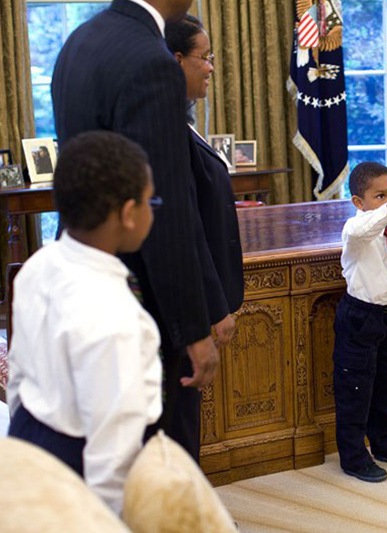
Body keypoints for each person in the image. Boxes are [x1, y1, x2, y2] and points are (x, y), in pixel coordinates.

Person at [51, 0, 225, 457]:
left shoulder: (79, 42)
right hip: (142, 298)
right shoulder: (151, 61)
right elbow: (164, 207)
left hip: (86, 278)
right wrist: (193, 328)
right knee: (163, 449)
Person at [6, 131, 162, 514]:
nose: (152, 211)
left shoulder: (38, 266)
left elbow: (19, 376)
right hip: (81, 463)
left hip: (28, 435)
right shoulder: (116, 315)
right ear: (128, 214)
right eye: (150, 201)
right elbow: (114, 446)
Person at [165, 14, 244, 460]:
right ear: (177, 60)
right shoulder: (167, 130)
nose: (212, 67)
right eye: (206, 57)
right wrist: (213, 307)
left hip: (197, 301)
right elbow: (186, 227)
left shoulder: (183, 120)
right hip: (189, 306)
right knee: (178, 424)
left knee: (185, 421)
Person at [333, 162, 387, 483]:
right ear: (358, 202)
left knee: (386, 386)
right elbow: (363, 229)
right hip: (359, 318)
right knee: (356, 388)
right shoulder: (355, 232)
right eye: (379, 195)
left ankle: (386, 443)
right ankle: (353, 455)